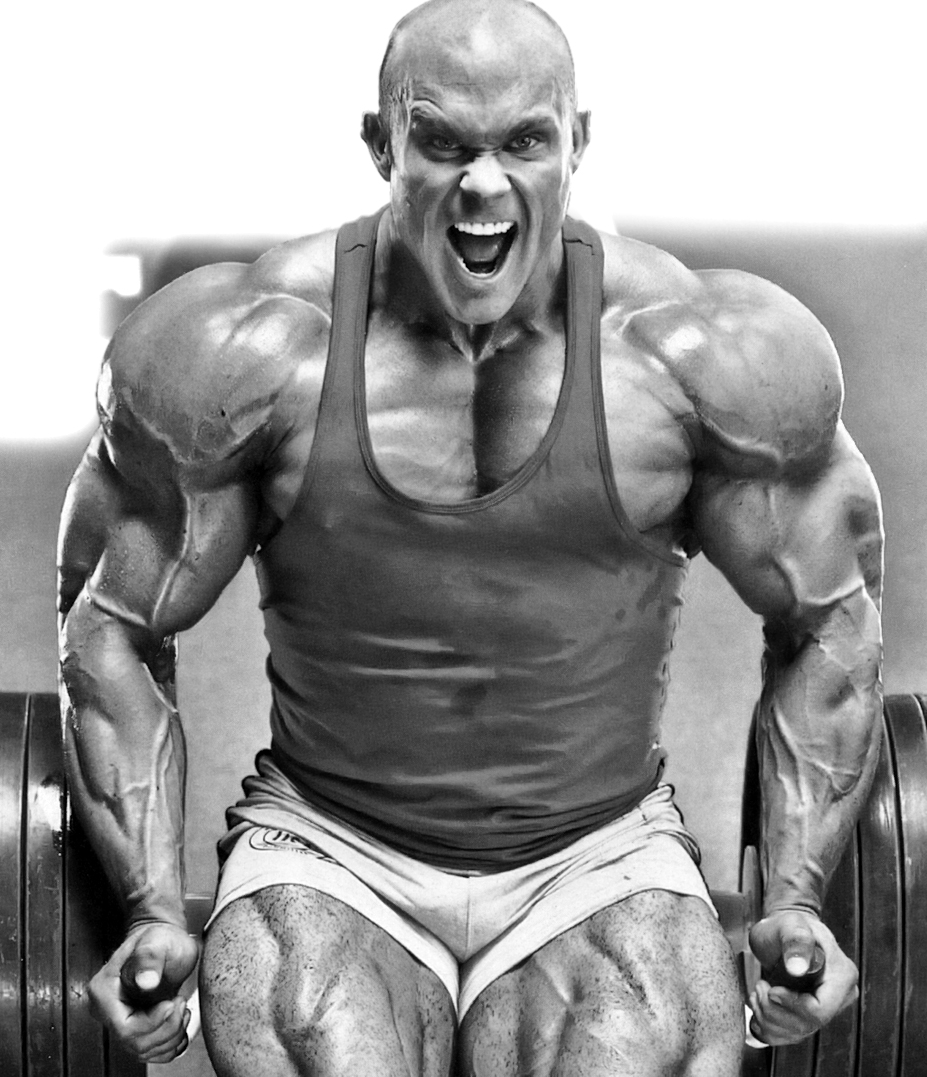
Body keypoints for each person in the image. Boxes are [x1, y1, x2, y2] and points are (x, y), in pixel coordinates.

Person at [57, 0, 884, 1073]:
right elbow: (111, 623)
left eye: (524, 142)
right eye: (442, 143)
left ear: (577, 140)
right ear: (381, 144)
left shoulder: (696, 357)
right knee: (309, 1034)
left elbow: (830, 620)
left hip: (597, 856)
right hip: (331, 847)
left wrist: (795, 898)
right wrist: (152, 906)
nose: (483, 185)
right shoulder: (247, 351)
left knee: (645, 1041)